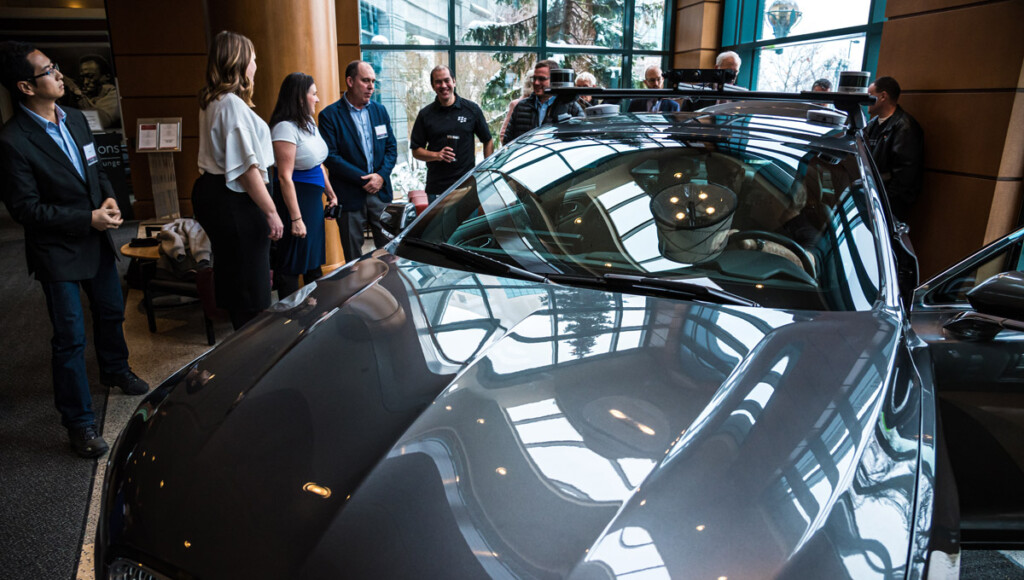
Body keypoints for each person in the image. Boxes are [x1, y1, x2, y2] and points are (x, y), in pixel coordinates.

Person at [0, 41, 149, 458]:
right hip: (56, 251)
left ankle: (115, 370)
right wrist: (86, 218)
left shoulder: (77, 119)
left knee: (111, 310)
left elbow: (93, 167)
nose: (59, 74)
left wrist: (108, 199)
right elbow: (25, 209)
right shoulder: (13, 140)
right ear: (26, 88)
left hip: (96, 238)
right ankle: (80, 423)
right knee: (69, 338)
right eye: (48, 70)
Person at [192, 31, 283, 330]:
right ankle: (252, 358)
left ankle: (243, 348)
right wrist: (271, 212)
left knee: (235, 279)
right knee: (251, 289)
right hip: (235, 200)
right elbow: (246, 169)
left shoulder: (211, 99)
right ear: (240, 62)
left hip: (216, 195)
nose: (257, 65)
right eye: (254, 59)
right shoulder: (230, 104)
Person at [319, 60, 397, 262]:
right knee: (354, 260)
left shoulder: (380, 111)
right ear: (350, 81)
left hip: (380, 194)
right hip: (350, 195)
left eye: (373, 81)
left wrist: (380, 176)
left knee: (389, 253)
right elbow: (331, 157)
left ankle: (389, 292)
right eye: (365, 81)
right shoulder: (329, 115)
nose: (371, 86)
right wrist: (365, 180)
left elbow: (391, 148)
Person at [270, 72, 338, 298]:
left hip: (313, 204)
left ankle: (315, 313)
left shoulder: (308, 123)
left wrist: (330, 193)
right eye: (314, 94)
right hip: (297, 203)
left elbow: (318, 163)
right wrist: (296, 219)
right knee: (293, 264)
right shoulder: (284, 129)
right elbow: (284, 177)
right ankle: (289, 318)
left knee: (313, 262)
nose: (317, 99)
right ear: (300, 98)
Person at [410, 65, 494, 203]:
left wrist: (486, 169)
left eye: (447, 80)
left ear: (454, 81)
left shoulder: (471, 109)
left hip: (466, 186)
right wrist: (437, 155)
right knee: (438, 226)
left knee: (466, 226)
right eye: (438, 82)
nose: (443, 85)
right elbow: (416, 151)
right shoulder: (425, 115)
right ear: (433, 86)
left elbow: (488, 140)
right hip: (437, 189)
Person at [865, 76, 924, 222]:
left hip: (888, 206)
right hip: (871, 197)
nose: (866, 99)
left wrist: (886, 203)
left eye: (870, 95)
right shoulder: (872, 124)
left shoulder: (905, 128)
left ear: (883, 96)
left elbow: (904, 176)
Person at [502, 60, 585, 144]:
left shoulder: (571, 108)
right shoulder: (521, 107)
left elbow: (582, 140)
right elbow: (508, 142)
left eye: (542, 79)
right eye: (534, 78)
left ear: (554, 80)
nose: (536, 83)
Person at [64, 54, 120, 129]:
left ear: (106, 76)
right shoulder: (89, 97)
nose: (85, 82)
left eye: (90, 76)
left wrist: (76, 91)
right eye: (83, 77)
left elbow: (98, 122)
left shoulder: (114, 95)